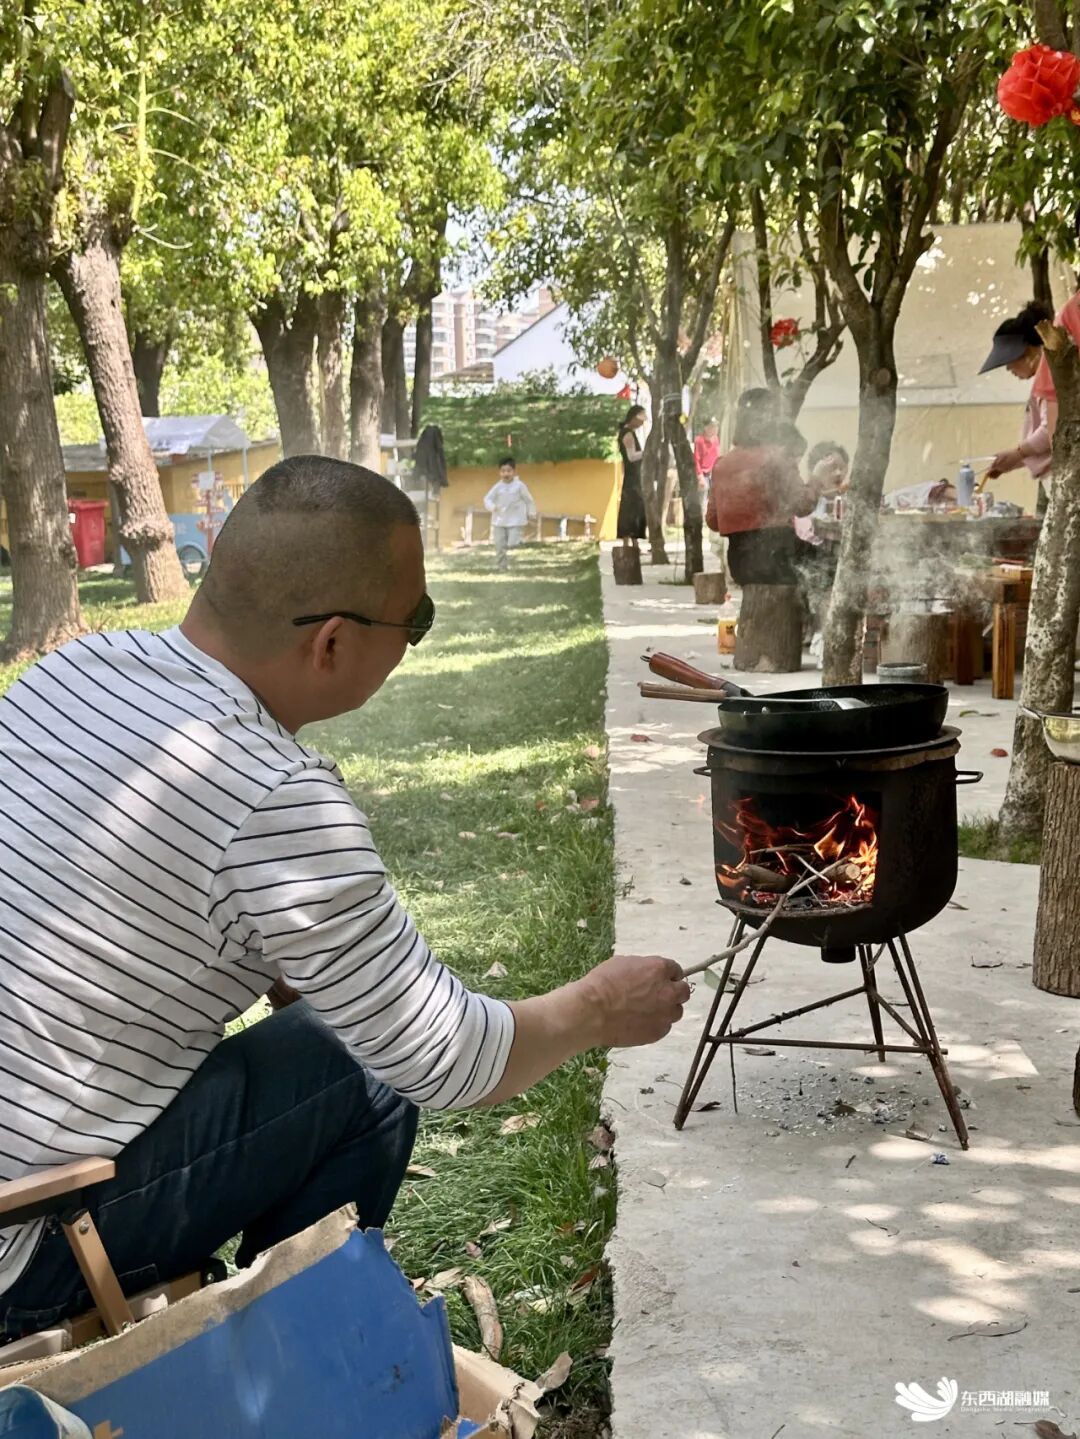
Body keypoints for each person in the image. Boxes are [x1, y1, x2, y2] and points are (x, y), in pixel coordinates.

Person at [0, 456, 689, 1342]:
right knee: (366, 1069)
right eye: (418, 620)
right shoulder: (273, 795)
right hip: (28, 1240)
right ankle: (287, 1357)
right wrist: (598, 1007)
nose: (416, 636)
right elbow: (448, 1057)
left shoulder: (74, 671)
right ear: (331, 642)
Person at [706, 391, 817, 587]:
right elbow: (803, 505)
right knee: (836, 565)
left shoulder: (722, 465)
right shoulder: (777, 459)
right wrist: (817, 481)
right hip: (779, 558)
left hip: (739, 563)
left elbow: (713, 521)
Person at [980, 301, 1054, 489]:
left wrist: (1017, 453)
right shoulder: (1043, 377)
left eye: (1009, 360)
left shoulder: (1050, 375)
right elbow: (1042, 446)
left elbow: (1050, 431)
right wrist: (1011, 461)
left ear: (1028, 351)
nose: (1008, 368)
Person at [793, 440, 849, 643]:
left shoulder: (846, 499)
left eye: (842, 468)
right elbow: (804, 530)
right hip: (809, 557)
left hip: (833, 555)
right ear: (815, 469)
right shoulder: (807, 499)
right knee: (823, 571)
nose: (838, 473)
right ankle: (819, 630)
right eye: (831, 468)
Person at [483, 455, 536, 571]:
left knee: (513, 544)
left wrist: (531, 513)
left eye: (508, 471)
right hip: (499, 521)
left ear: (514, 471)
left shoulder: (520, 486)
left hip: (516, 520)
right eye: (503, 471)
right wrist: (493, 507)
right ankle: (502, 567)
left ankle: (515, 564)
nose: (506, 474)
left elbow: (529, 500)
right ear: (499, 472)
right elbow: (487, 499)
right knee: (499, 546)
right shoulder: (497, 487)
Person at [616, 405, 648, 551]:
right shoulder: (628, 434)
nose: (642, 423)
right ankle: (628, 544)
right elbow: (631, 456)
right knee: (631, 509)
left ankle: (634, 544)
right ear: (633, 418)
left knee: (635, 508)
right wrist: (647, 452)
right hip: (632, 477)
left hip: (634, 476)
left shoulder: (630, 433)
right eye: (640, 419)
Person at [693, 418, 720, 494]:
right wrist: (700, 477)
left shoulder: (716, 440)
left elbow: (717, 457)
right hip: (704, 475)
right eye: (712, 426)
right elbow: (696, 460)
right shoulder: (699, 441)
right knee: (703, 498)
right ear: (706, 428)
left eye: (716, 426)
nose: (715, 429)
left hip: (714, 474)